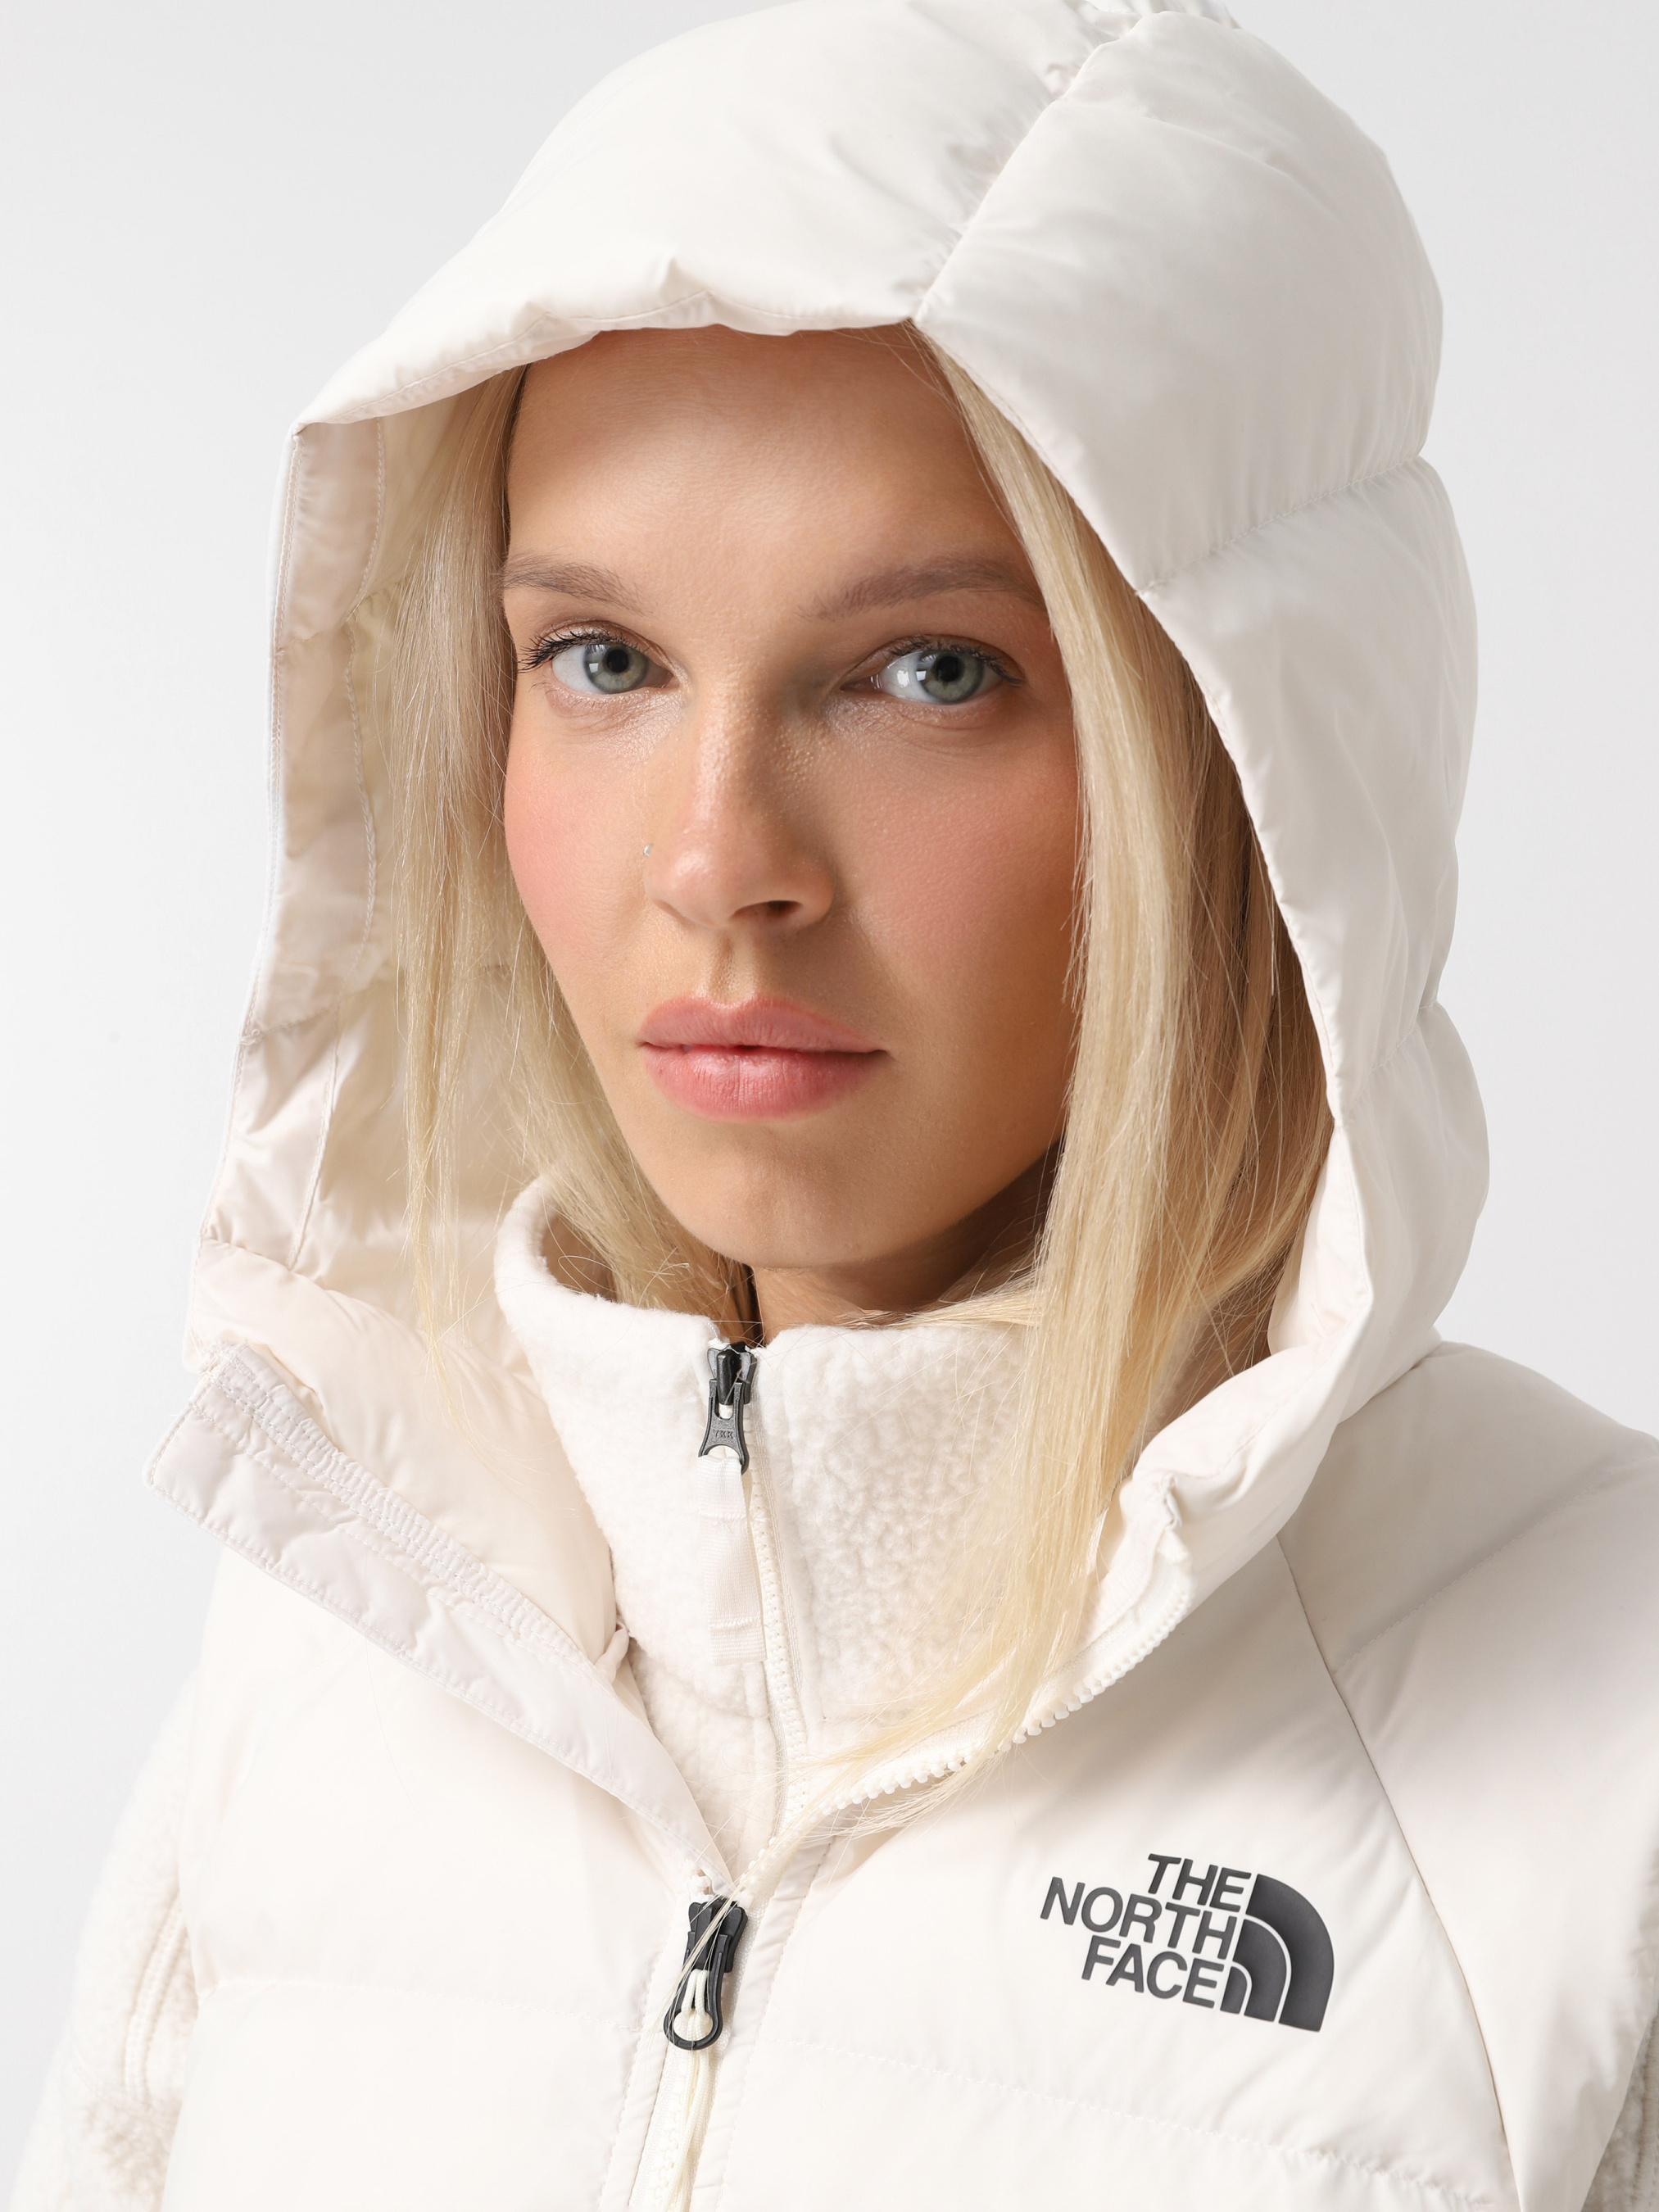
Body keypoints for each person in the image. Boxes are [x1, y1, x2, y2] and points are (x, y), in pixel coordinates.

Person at [15, 0, 1659, 2206]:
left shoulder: (1608, 1718)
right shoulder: (352, 1624)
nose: (720, 864)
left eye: (929, 671)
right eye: (601, 659)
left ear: (1252, 760)